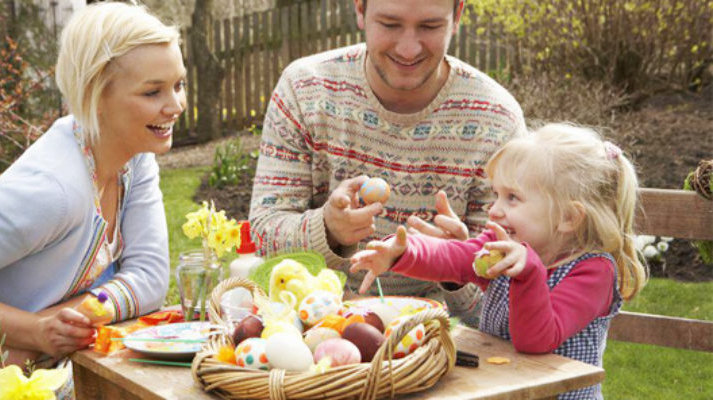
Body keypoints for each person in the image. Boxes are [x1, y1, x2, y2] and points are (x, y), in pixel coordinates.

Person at [0, 1, 185, 391]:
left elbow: (152, 279)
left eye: (178, 84)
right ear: (96, 94)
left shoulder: (134, 159)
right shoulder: (50, 191)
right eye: (153, 91)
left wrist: (45, 327)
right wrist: (31, 331)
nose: (175, 105)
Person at [249, 0, 525, 322]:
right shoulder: (305, 90)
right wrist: (327, 229)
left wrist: (457, 265)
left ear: (457, 16)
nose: (408, 50)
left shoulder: (496, 121)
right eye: (390, 24)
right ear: (360, 11)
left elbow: (506, 306)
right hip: (313, 327)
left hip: (437, 341)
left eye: (429, 26)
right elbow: (264, 234)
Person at [350, 123, 648, 399]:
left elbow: (537, 341)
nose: (494, 211)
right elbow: (453, 257)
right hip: (499, 389)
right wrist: (399, 252)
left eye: (512, 198)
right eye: (496, 195)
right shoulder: (504, 247)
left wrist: (528, 274)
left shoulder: (594, 271)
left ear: (568, 217)